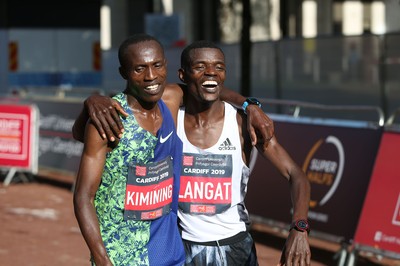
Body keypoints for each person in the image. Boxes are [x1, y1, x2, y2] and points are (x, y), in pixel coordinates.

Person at [74, 41, 311, 265]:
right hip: (182, 247)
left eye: (218, 67)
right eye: (200, 67)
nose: (210, 72)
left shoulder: (241, 124)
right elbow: (137, 92)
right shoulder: (170, 110)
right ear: (183, 75)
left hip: (235, 247)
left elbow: (296, 175)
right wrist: (92, 101)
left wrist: (299, 228)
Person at [73, 34, 186, 265]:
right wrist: (102, 259)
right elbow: (84, 196)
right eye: (139, 69)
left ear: (166, 65)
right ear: (124, 73)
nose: (151, 76)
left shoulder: (171, 99)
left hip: (167, 249)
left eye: (157, 65)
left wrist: (249, 105)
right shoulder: (109, 120)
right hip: (121, 254)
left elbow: (205, 88)